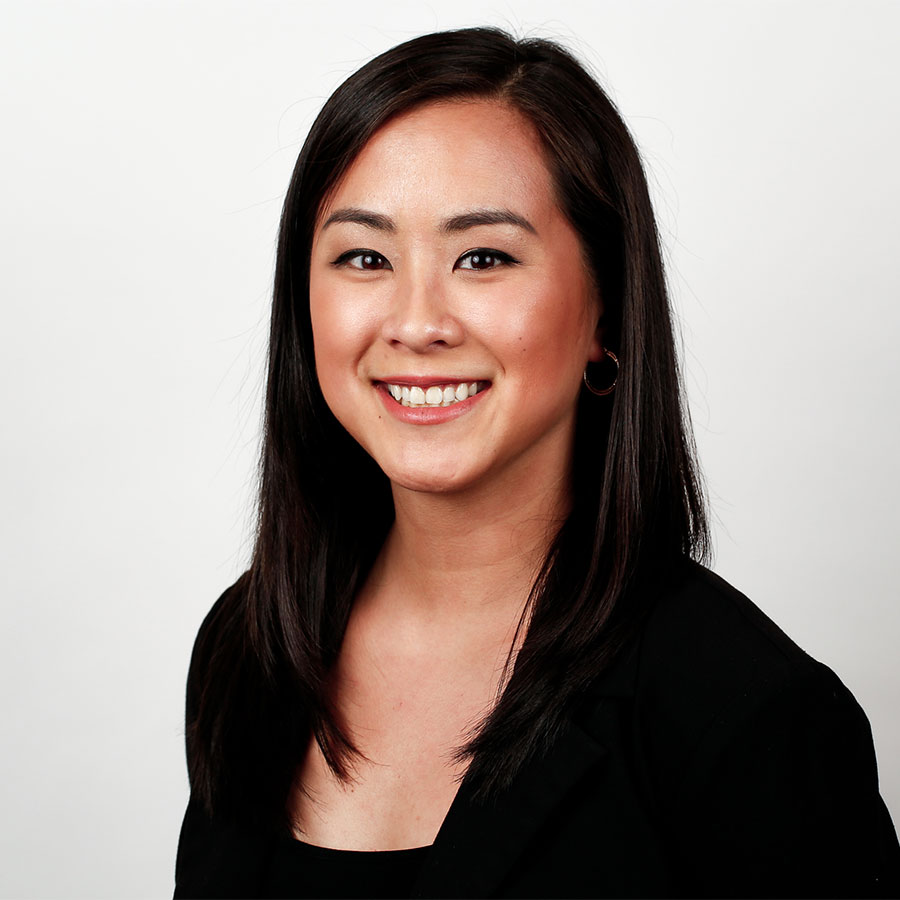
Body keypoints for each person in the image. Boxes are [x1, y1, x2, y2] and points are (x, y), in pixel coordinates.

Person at [173, 26, 900, 899]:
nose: (416, 322)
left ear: (608, 318)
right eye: (364, 257)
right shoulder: (251, 644)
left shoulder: (746, 711)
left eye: (483, 257)